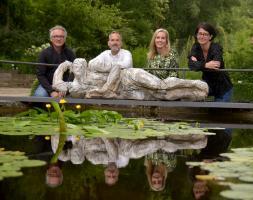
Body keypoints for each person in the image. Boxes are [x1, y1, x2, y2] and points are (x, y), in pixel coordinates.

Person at [188, 22, 233, 102]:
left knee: (218, 111)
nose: (202, 36)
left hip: (222, 87)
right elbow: (191, 65)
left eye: (205, 34)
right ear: (196, 35)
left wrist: (198, 64)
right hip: (207, 84)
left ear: (210, 36)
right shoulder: (196, 47)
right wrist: (206, 65)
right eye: (200, 34)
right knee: (194, 102)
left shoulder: (216, 47)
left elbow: (216, 65)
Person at [34, 25, 76, 97]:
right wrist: (51, 91)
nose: (59, 39)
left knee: (78, 96)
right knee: (39, 95)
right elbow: (40, 75)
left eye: (61, 36)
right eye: (56, 36)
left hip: (66, 85)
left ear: (65, 38)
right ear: (51, 38)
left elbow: (73, 73)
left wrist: (65, 88)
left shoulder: (70, 54)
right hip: (48, 85)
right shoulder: (44, 54)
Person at [88, 31, 133, 95]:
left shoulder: (126, 53)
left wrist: (104, 67)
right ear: (108, 43)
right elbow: (91, 63)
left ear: (121, 43)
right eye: (112, 40)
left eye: (117, 40)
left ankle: (106, 90)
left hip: (123, 87)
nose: (115, 43)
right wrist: (111, 67)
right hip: (104, 85)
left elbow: (126, 64)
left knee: (117, 67)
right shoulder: (105, 53)